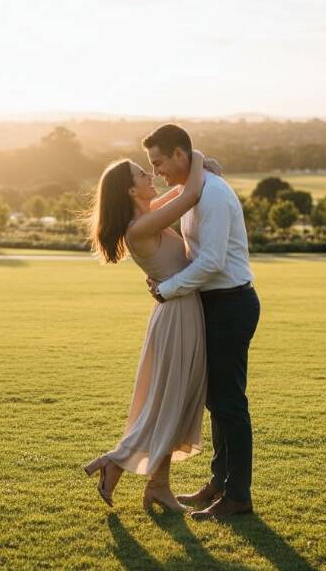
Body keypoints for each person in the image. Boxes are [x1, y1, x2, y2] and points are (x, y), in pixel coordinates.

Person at [82, 149, 219, 512]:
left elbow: (178, 195)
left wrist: (196, 172)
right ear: (130, 191)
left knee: (174, 402)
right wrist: (198, 158)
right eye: (142, 173)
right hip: (176, 316)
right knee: (168, 403)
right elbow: (189, 195)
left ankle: (158, 486)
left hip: (181, 311)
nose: (150, 175)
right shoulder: (141, 227)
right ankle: (116, 460)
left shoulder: (149, 217)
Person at [143, 124, 261, 520]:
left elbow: (210, 262)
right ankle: (219, 482)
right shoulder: (195, 188)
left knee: (229, 403)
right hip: (214, 304)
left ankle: (238, 496)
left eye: (159, 163)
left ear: (180, 155)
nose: (157, 173)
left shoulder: (211, 194)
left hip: (230, 304)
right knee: (217, 401)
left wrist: (168, 288)